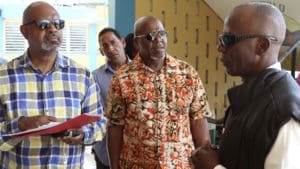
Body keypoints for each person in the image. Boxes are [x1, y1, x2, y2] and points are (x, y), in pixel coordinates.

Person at [192, 2, 300, 169]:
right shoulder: (253, 93)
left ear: (261, 46)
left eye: (228, 40)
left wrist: (213, 167)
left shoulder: (284, 110)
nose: (220, 47)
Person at [0, 1, 106, 168]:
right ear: (24, 31)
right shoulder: (4, 77)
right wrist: (20, 125)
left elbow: (100, 123)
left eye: (58, 24)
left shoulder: (81, 75)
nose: (53, 29)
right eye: (43, 25)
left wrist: (83, 134)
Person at [105, 16, 211, 169]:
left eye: (162, 34)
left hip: (181, 165)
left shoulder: (187, 73)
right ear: (136, 42)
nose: (159, 40)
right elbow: (115, 126)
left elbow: (198, 119)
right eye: (151, 36)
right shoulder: (122, 77)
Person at [92, 27, 129, 169]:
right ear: (102, 51)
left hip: (137, 149)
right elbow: (97, 114)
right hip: (105, 151)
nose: (110, 48)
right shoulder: (95, 77)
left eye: (113, 42)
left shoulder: (140, 71)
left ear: (123, 42)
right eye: (105, 46)